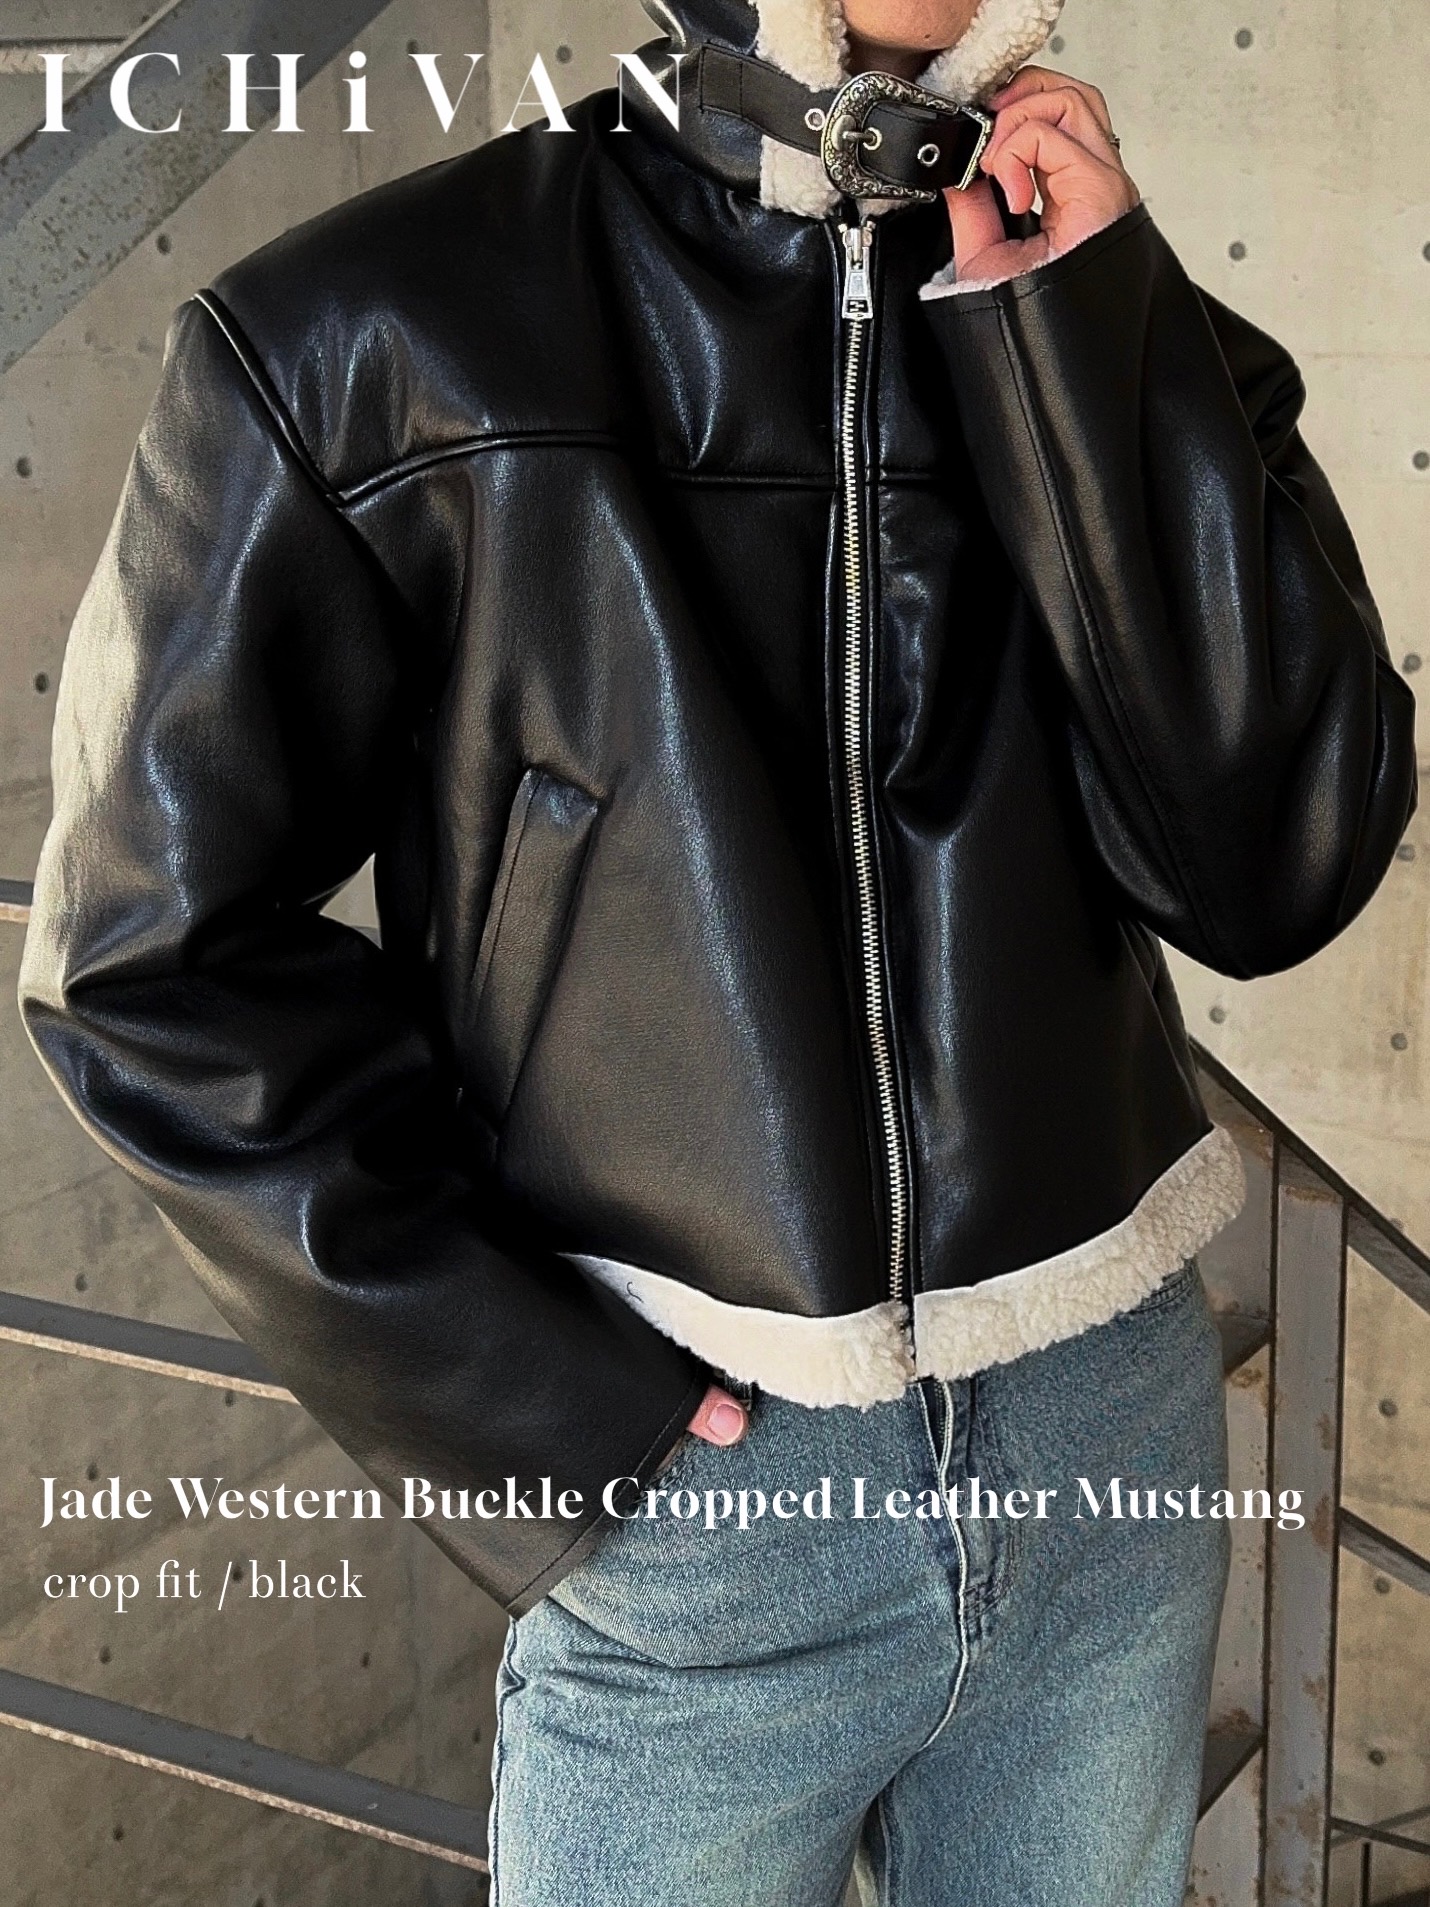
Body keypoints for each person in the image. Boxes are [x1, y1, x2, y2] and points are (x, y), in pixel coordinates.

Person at [19, 0, 1416, 1900]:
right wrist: (544, 1415)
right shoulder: (370, 330)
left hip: (1106, 1425)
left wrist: (1088, 343)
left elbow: (1273, 878)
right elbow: (145, 966)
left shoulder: (1119, 320)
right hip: (689, 1476)